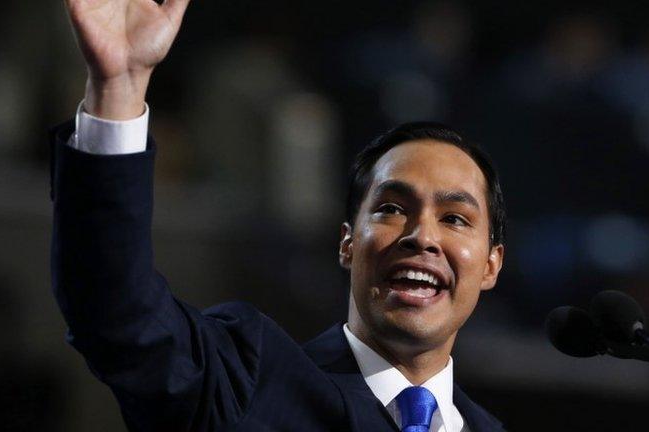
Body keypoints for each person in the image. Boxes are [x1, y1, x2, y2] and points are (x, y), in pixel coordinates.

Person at [52, 1, 506, 430]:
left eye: (455, 219)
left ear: (491, 264)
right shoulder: (247, 379)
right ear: (347, 243)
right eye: (391, 208)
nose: (422, 236)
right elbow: (118, 310)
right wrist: (118, 89)